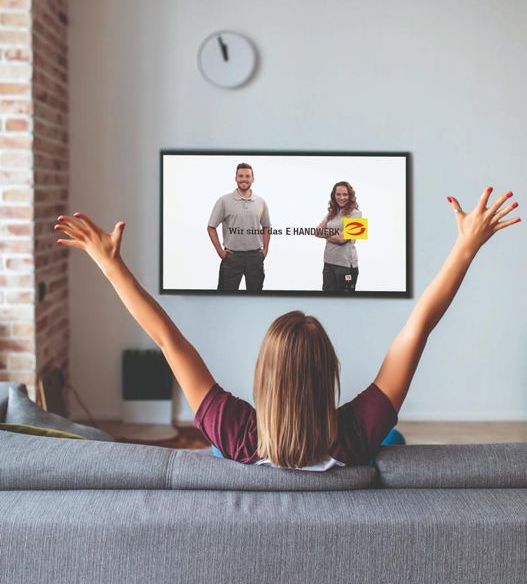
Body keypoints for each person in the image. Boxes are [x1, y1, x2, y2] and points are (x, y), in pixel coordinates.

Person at [54, 186, 520, 470]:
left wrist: (109, 264)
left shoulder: (235, 432)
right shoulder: (357, 433)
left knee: (217, 455)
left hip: (243, 452)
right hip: (352, 447)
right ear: (329, 371)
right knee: (393, 441)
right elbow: (417, 329)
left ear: (264, 373)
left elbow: (166, 339)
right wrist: (466, 247)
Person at [207, 163, 271, 292]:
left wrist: (265, 250)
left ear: (253, 179)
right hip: (232, 257)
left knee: (256, 297)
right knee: (224, 297)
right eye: (241, 176)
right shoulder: (224, 201)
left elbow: (266, 227)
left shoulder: (260, 202)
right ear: (235, 178)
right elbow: (211, 227)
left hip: (255, 257)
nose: (244, 179)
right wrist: (220, 252)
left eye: (247, 176)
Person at [316, 181, 361, 292]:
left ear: (350, 196)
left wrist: (325, 234)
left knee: (345, 301)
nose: (341, 197)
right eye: (338, 194)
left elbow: (342, 239)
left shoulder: (357, 214)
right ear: (334, 196)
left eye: (345, 194)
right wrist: (335, 233)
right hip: (328, 263)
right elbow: (316, 231)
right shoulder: (332, 213)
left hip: (345, 266)